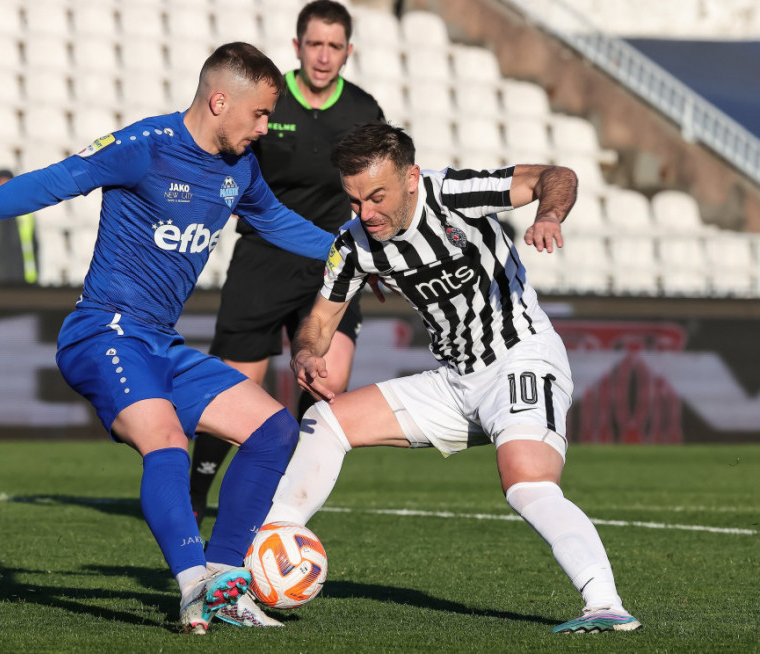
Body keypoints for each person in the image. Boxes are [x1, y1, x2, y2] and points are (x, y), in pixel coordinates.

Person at [0, 43, 334, 634]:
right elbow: (64, 177)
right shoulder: (145, 145)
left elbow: (276, 221)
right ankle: (192, 587)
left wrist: (352, 253)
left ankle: (224, 581)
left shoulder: (240, 167)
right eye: (261, 113)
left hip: (160, 343)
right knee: (166, 438)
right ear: (220, 101)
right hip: (103, 330)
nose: (265, 127)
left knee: (274, 431)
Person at [265, 123, 643, 634]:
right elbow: (320, 319)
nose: (365, 213)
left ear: (411, 179)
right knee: (325, 422)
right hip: (456, 381)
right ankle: (272, 545)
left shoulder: (453, 195)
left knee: (525, 482)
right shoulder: (353, 245)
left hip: (519, 355)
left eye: (377, 197)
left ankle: (604, 603)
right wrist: (307, 353)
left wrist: (548, 215)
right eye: (354, 201)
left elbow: (555, 175)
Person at [190, 0, 384, 526]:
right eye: (314, 44)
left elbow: (380, 188)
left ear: (348, 51)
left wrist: (378, 254)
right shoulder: (266, 102)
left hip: (332, 265)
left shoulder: (363, 110)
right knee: (235, 388)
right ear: (297, 46)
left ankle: (285, 505)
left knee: (326, 384)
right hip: (262, 256)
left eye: (334, 46)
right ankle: (196, 491)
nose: (323, 55)